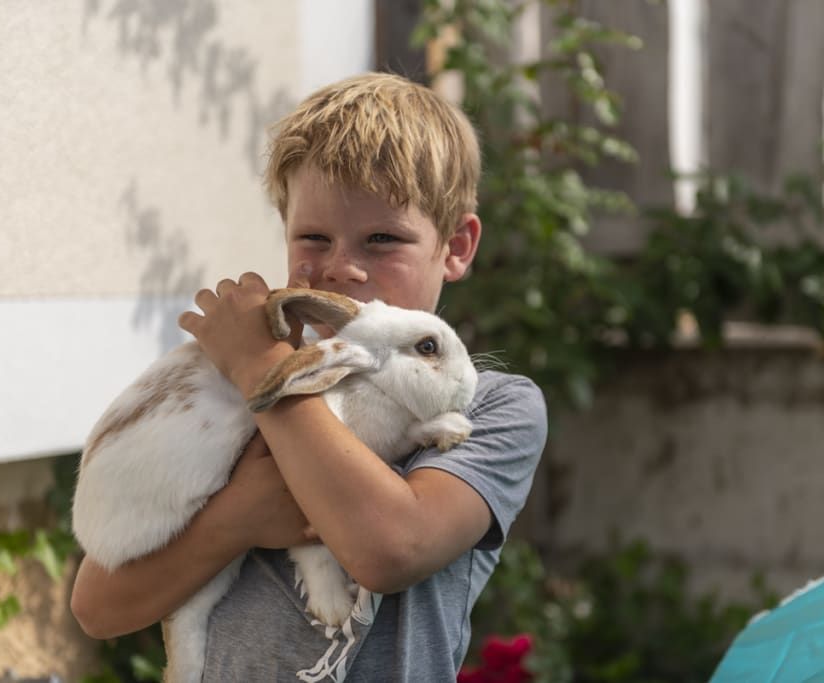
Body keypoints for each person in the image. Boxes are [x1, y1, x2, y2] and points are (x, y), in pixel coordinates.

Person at [70, 72, 547, 681]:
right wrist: (239, 516)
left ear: (455, 246)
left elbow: (390, 550)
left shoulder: (491, 408)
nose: (342, 268)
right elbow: (98, 607)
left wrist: (263, 370)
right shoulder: (227, 391)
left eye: (382, 239)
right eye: (314, 238)